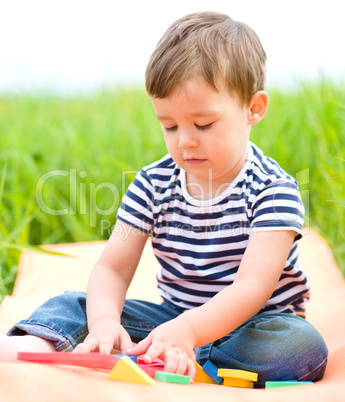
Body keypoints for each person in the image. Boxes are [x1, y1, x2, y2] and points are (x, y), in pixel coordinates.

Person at [0, 11, 328, 387]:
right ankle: (69, 342)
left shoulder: (273, 190)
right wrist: (106, 322)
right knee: (75, 304)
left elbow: (252, 286)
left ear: (253, 109)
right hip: (171, 318)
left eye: (203, 124)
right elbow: (112, 268)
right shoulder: (152, 184)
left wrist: (189, 333)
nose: (185, 140)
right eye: (169, 126)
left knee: (301, 346)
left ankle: (185, 356)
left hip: (252, 326)